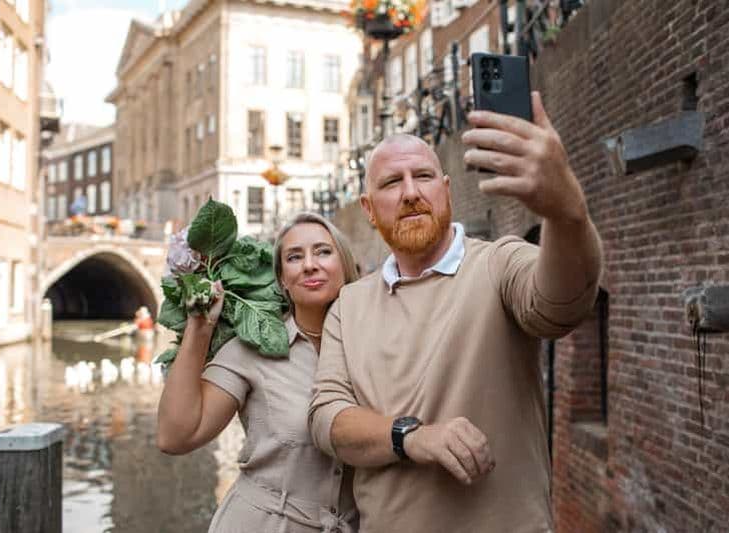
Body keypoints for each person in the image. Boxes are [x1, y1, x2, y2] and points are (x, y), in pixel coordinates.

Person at [308, 92, 603, 532]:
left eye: (423, 176)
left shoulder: (498, 263)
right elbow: (327, 418)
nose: (411, 193)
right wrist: (412, 436)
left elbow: (561, 305)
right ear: (369, 209)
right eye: (392, 183)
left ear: (445, 191)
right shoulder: (348, 306)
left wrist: (567, 213)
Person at [157, 212, 361, 533]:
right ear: (281, 279)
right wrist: (200, 327)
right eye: (294, 257)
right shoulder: (252, 349)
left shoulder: (374, 347)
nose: (309, 264)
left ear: (346, 266)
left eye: (323, 251)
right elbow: (176, 436)